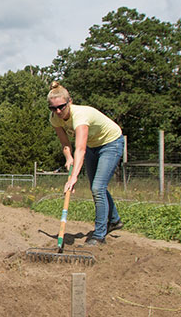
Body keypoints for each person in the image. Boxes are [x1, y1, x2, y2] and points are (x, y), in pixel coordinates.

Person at [47, 81, 124, 246]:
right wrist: (68, 158)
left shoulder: (80, 115)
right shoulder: (55, 119)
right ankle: (115, 220)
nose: (58, 111)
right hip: (92, 146)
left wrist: (73, 177)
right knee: (97, 187)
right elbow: (66, 145)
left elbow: (80, 149)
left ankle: (99, 235)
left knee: (98, 188)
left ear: (70, 102)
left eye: (61, 107)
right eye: (53, 108)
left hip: (111, 143)